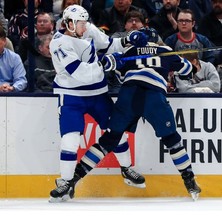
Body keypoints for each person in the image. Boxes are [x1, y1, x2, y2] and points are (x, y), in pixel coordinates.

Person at [65, 27, 201, 202]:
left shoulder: (128, 51)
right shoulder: (166, 51)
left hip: (128, 95)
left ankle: (73, 180)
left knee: (109, 140)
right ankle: (189, 182)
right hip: (154, 97)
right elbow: (188, 71)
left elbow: (121, 77)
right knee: (172, 140)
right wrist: (192, 67)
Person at [48, 4, 148, 202]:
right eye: (81, 24)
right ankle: (65, 182)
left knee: (116, 130)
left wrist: (129, 39)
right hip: (71, 96)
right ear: (69, 24)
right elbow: (79, 73)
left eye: (86, 23)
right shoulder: (59, 43)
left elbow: (110, 44)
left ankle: (126, 169)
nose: (85, 28)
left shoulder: (87, 29)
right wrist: (106, 63)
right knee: (71, 139)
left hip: (98, 93)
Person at [0, 25, 27, 92]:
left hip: (10, 95)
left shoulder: (14, 58)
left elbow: (21, 80)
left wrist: (13, 88)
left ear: (4, 41)